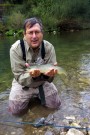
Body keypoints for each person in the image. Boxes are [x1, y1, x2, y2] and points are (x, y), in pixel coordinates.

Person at [9, 17, 61, 116]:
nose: (34, 36)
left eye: (37, 32)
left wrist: (48, 75)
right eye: (30, 32)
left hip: (43, 82)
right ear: (24, 34)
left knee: (55, 106)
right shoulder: (15, 49)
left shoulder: (49, 48)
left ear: (42, 33)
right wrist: (31, 76)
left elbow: (50, 79)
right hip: (23, 84)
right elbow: (19, 77)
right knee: (16, 112)